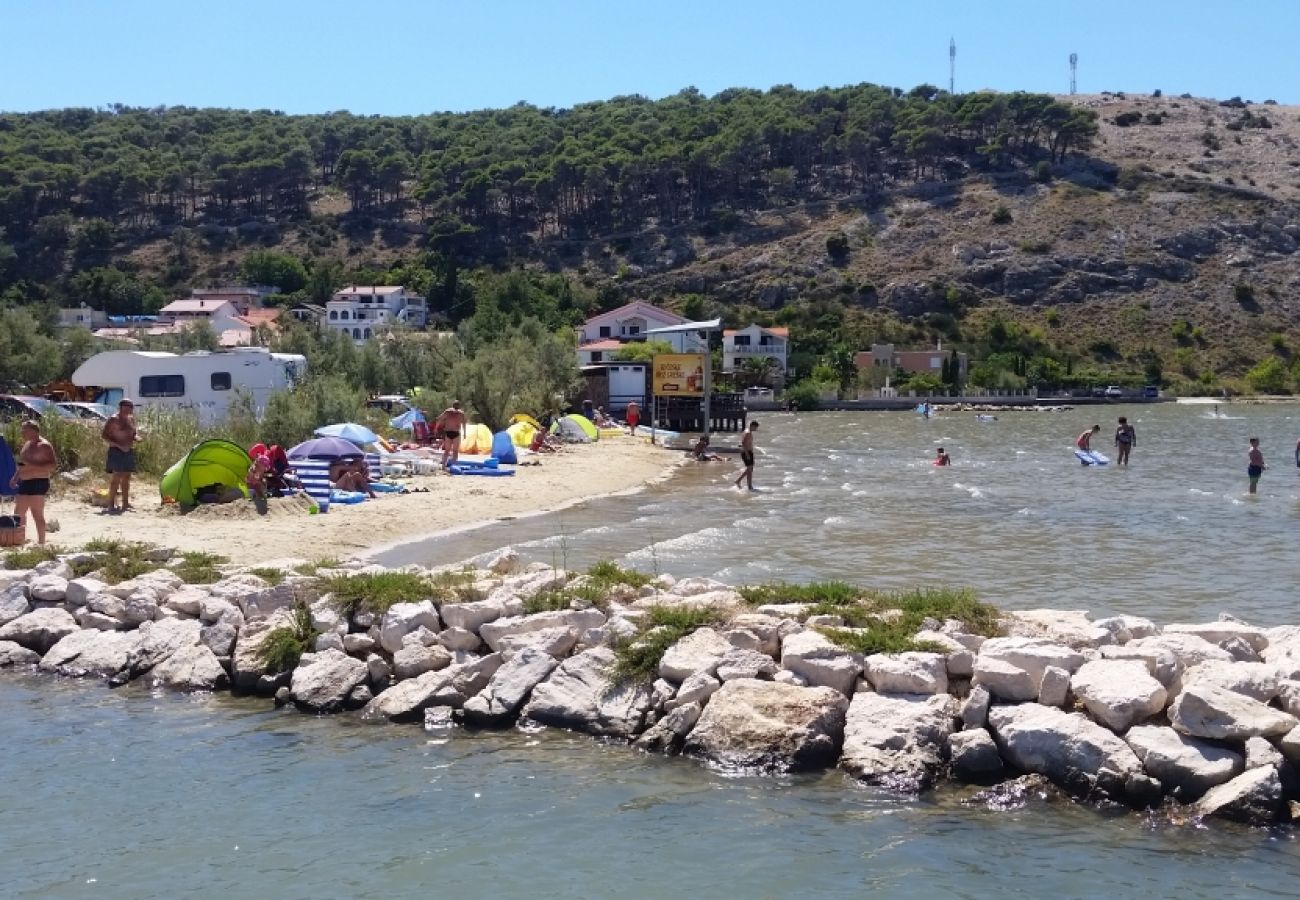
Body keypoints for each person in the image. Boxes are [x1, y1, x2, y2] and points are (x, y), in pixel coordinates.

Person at [10, 420, 57, 545]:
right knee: (18, 512)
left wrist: (33, 466)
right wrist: (15, 477)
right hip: (25, 482)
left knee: (37, 513)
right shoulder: (27, 444)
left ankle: (41, 543)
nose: (22, 432)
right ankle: (21, 540)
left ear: (33, 431)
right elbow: (22, 463)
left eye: (24, 430)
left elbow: (52, 466)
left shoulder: (44, 445)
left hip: (39, 481)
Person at [101, 398, 139, 513]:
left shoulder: (131, 419)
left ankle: (125, 503)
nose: (129, 408)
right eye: (127, 406)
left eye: (131, 406)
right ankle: (110, 504)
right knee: (116, 477)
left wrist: (136, 437)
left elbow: (134, 432)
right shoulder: (114, 419)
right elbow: (104, 435)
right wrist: (118, 445)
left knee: (127, 477)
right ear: (121, 407)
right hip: (116, 450)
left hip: (128, 450)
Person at [434, 401, 466, 470]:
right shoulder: (461, 413)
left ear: (452, 405)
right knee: (455, 451)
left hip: (449, 432)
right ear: (459, 406)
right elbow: (464, 424)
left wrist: (436, 428)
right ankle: (453, 466)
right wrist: (465, 433)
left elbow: (439, 419)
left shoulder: (448, 412)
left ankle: (444, 466)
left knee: (447, 450)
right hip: (455, 433)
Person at [734, 421, 759, 490]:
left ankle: (749, 485)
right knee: (749, 469)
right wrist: (747, 454)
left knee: (750, 469)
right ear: (752, 426)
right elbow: (743, 443)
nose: (756, 429)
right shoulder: (747, 432)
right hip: (746, 452)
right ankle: (739, 481)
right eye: (755, 427)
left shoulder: (747, 431)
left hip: (748, 452)